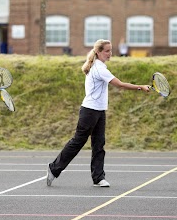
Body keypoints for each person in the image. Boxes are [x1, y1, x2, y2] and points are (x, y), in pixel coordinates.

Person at [46, 39, 150, 187]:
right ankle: (54, 168)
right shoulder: (99, 68)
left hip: (100, 111)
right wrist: (140, 87)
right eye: (107, 51)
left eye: (111, 50)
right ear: (98, 52)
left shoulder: (99, 66)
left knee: (99, 144)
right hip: (89, 111)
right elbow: (119, 85)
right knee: (78, 142)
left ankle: (98, 177)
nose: (110, 54)